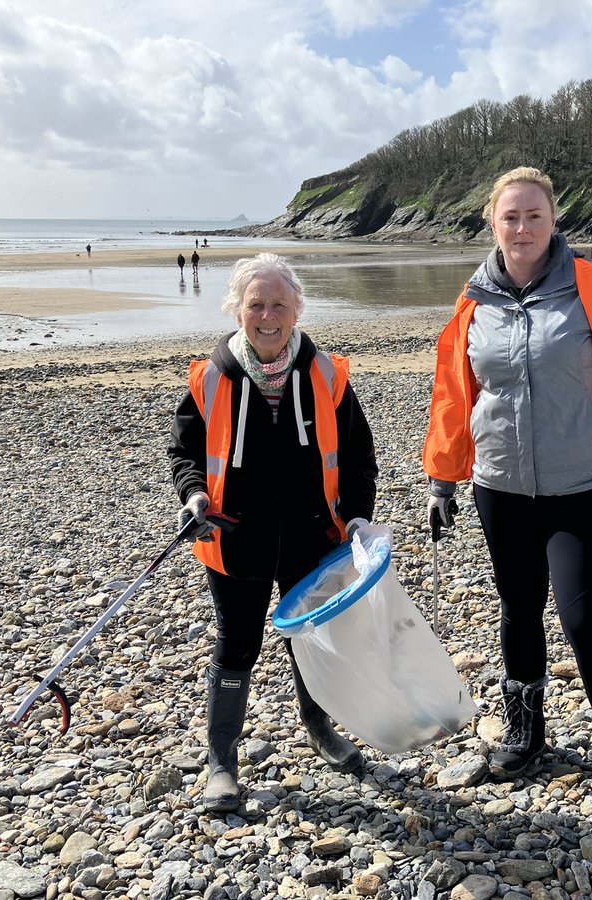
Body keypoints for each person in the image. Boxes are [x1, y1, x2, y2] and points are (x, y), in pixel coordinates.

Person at [422, 166, 592, 838]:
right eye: (511, 216)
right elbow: (456, 397)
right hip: (500, 487)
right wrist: (442, 480)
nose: (522, 228)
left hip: (585, 488)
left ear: (554, 220)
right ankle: (525, 734)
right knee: (516, 610)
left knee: (585, 620)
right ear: (492, 221)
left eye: (534, 215)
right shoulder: (472, 303)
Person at [168, 252, 378, 812]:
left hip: (314, 536)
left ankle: (321, 730)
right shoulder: (210, 378)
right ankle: (221, 761)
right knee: (237, 644)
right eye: (255, 304)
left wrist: (357, 515)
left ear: (297, 309)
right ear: (237, 310)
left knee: (310, 640)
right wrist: (193, 495)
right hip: (234, 539)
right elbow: (184, 452)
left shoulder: (328, 375)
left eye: (278, 304)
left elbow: (360, 458)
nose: (267, 315)